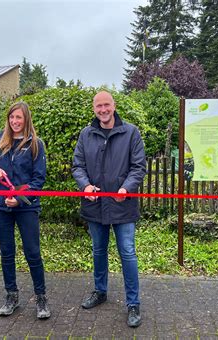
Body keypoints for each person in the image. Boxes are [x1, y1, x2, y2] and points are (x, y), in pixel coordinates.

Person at [72, 91, 146, 327]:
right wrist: (85, 186)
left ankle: (133, 303)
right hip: (95, 206)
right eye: (98, 106)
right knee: (98, 251)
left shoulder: (131, 133)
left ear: (114, 106)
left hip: (123, 206)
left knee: (128, 253)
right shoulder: (86, 134)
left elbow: (138, 167)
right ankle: (100, 291)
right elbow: (78, 166)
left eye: (106, 105)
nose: (103, 110)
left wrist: (126, 188)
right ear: (94, 109)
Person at [0, 102, 51, 319]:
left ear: (26, 119)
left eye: (19, 118)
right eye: (12, 117)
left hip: (26, 207)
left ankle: (41, 298)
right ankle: (11, 296)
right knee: (7, 252)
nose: (15, 121)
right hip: (0, 205)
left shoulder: (36, 145)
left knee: (33, 253)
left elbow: (38, 179)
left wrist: (20, 200)